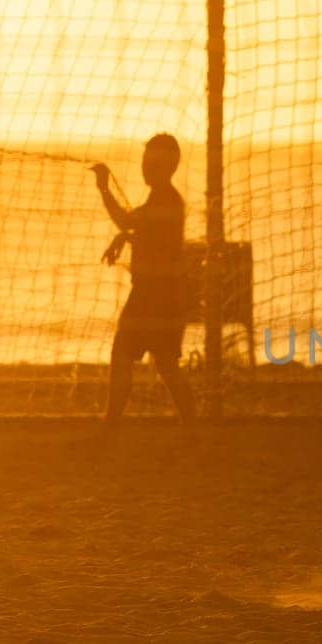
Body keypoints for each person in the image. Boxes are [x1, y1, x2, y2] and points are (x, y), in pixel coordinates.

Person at [92, 133, 197, 428]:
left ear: (170, 168)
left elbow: (130, 221)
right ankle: (188, 428)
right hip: (155, 295)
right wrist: (125, 237)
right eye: (146, 162)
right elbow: (140, 227)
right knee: (146, 361)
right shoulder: (160, 200)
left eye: (155, 164)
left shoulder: (168, 201)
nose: (147, 168)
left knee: (146, 360)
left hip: (160, 297)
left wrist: (104, 189)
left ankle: (113, 426)